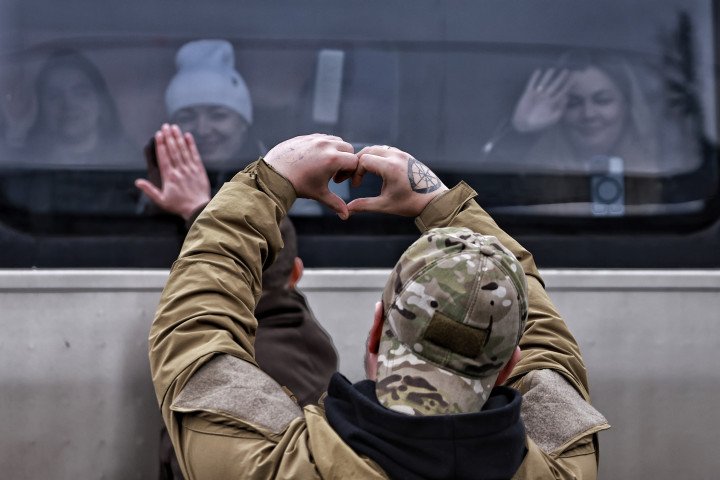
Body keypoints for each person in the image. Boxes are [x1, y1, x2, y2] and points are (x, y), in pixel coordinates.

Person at [149, 133, 608, 479]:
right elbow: (548, 343)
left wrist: (265, 184)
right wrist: (442, 206)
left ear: (375, 332)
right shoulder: (565, 462)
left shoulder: (276, 466)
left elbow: (194, 332)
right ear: (510, 365)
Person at [489, 50, 688, 175]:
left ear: (627, 106)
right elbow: (478, 214)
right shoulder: (533, 168)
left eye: (602, 100)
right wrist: (521, 132)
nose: (588, 114)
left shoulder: (668, 162)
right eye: (573, 103)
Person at [23, 49, 137, 167]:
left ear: (101, 101)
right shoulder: (24, 161)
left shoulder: (130, 160)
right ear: (40, 108)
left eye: (81, 93)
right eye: (54, 96)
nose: (68, 104)